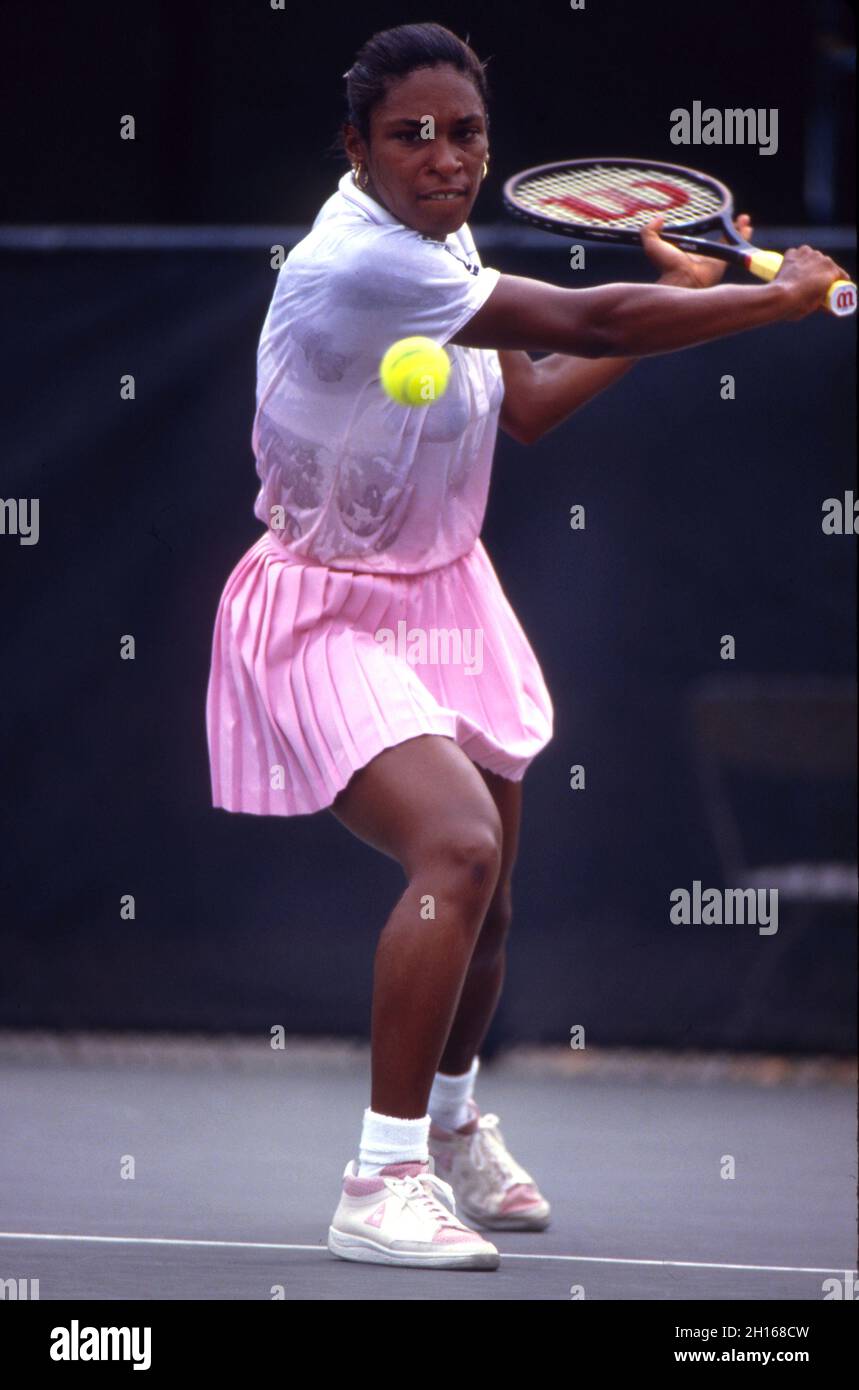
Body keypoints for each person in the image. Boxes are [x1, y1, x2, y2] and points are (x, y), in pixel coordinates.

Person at [205, 22, 848, 1271]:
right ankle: (378, 1177)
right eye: (412, 136)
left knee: (488, 899)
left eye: (466, 134)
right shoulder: (359, 265)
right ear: (356, 146)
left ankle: (448, 1132)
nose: (445, 158)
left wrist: (688, 292)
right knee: (454, 845)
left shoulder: (442, 241)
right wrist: (775, 299)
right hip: (322, 606)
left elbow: (537, 400)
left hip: (446, 595)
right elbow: (591, 321)